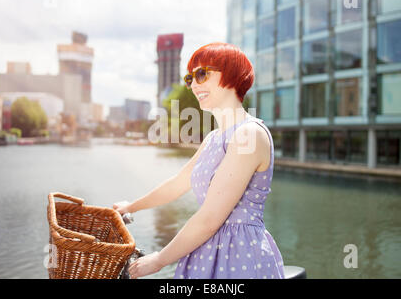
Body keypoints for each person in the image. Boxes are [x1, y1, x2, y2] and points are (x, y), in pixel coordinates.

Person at [113, 42, 285, 279]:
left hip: (238, 256)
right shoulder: (214, 138)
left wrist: (159, 260)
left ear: (233, 74)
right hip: (204, 252)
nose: (193, 84)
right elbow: (178, 183)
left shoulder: (249, 134)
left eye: (202, 74)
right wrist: (131, 207)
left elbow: (210, 218)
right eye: (189, 78)